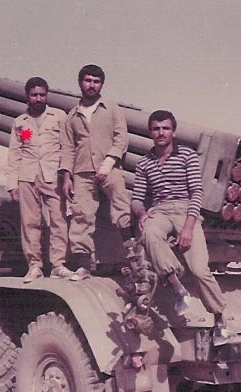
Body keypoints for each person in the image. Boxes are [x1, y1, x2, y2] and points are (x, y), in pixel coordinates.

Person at [131, 110, 226, 329]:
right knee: (149, 232)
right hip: (160, 210)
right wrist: (142, 213)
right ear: (150, 132)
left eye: (165, 128)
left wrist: (188, 228)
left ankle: (220, 318)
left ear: (173, 131)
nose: (161, 133)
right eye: (156, 129)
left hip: (185, 210)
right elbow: (137, 198)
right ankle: (178, 289)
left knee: (199, 270)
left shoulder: (187, 156)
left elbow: (197, 193)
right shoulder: (144, 163)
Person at [60, 64, 133, 281]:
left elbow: (121, 138)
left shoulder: (112, 108)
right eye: (88, 80)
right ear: (80, 83)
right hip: (82, 172)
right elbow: (68, 148)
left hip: (109, 167)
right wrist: (67, 177)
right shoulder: (72, 116)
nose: (91, 85)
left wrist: (108, 164)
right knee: (81, 215)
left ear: (101, 84)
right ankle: (83, 266)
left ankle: (132, 252)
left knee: (121, 204)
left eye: (96, 81)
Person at [7, 76, 74, 283]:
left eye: (42, 95)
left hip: (53, 175)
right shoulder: (20, 122)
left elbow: (67, 147)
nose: (38, 99)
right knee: (30, 222)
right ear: (27, 96)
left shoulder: (58, 117)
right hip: (27, 176)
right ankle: (34, 265)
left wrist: (66, 175)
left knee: (58, 220)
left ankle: (58, 264)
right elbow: (15, 154)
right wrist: (12, 184)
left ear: (47, 95)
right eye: (34, 95)